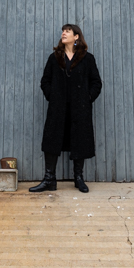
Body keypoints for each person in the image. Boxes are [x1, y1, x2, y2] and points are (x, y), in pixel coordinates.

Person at [29, 23, 102, 193]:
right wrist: (53, 97)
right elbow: (44, 81)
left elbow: (96, 82)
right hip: (58, 108)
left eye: (68, 31)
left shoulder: (87, 58)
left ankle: (78, 178)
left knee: (79, 139)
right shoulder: (54, 58)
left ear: (76, 37)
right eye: (63, 31)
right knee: (52, 139)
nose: (64, 33)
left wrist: (88, 98)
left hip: (80, 108)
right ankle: (49, 179)